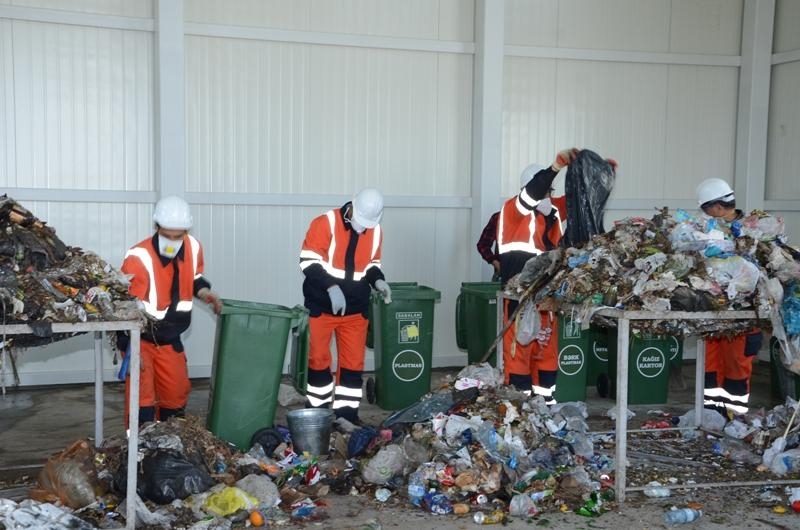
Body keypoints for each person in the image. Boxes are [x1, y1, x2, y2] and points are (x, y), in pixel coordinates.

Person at [119, 195, 222, 425]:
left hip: (170, 337)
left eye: (179, 235)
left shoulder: (193, 247)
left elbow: (194, 277)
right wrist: (128, 347)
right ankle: (140, 451)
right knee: (142, 400)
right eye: (167, 235)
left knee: (175, 397)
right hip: (141, 340)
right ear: (156, 227)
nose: (173, 241)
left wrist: (204, 292)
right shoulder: (139, 257)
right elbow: (124, 306)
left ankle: (171, 447)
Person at [299, 188, 392, 423]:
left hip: (355, 309)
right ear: (351, 208)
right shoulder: (325, 223)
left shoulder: (375, 230)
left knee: (352, 365)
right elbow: (308, 262)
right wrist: (330, 287)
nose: (363, 228)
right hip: (322, 306)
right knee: (319, 362)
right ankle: (317, 416)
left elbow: (371, 264)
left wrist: (378, 280)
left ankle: (347, 416)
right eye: (361, 222)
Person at [496, 150, 578, 403]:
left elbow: (577, 200)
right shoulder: (513, 210)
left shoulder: (550, 215)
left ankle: (545, 409)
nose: (548, 195)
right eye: (544, 190)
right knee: (519, 355)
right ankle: (519, 409)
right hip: (519, 301)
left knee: (546, 356)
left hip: (545, 301)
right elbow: (532, 193)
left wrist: (594, 172)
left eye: (550, 192)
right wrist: (555, 166)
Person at [696, 178, 763, 416]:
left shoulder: (752, 230)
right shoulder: (708, 230)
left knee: (736, 369)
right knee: (711, 365)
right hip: (714, 311)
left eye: (706, 208)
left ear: (716, 207)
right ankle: (711, 416)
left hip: (743, 316)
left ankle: (734, 418)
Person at [476, 211, 501, 281]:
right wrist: (495, 263)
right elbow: (483, 244)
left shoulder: (533, 216)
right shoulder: (499, 217)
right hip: (503, 276)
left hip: (531, 276)